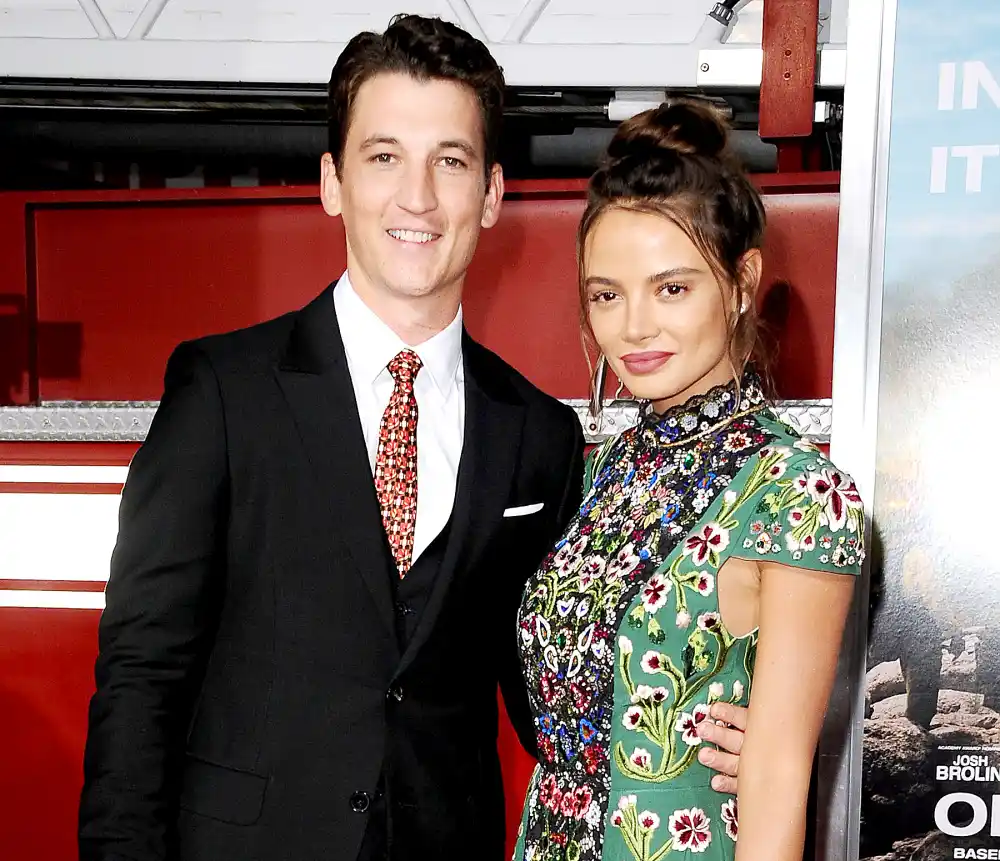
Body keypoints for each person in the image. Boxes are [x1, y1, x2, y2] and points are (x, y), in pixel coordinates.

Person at [76, 14, 750, 861]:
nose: (419, 197)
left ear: (494, 193)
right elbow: (142, 673)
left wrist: (707, 735)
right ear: (332, 181)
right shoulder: (222, 392)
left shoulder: (537, 432)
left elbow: (556, 682)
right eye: (385, 156)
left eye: (451, 161)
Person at [513, 101, 864, 861]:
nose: (633, 327)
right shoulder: (601, 473)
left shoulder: (799, 492)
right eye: (607, 293)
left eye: (671, 288)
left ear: (742, 281)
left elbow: (774, 778)